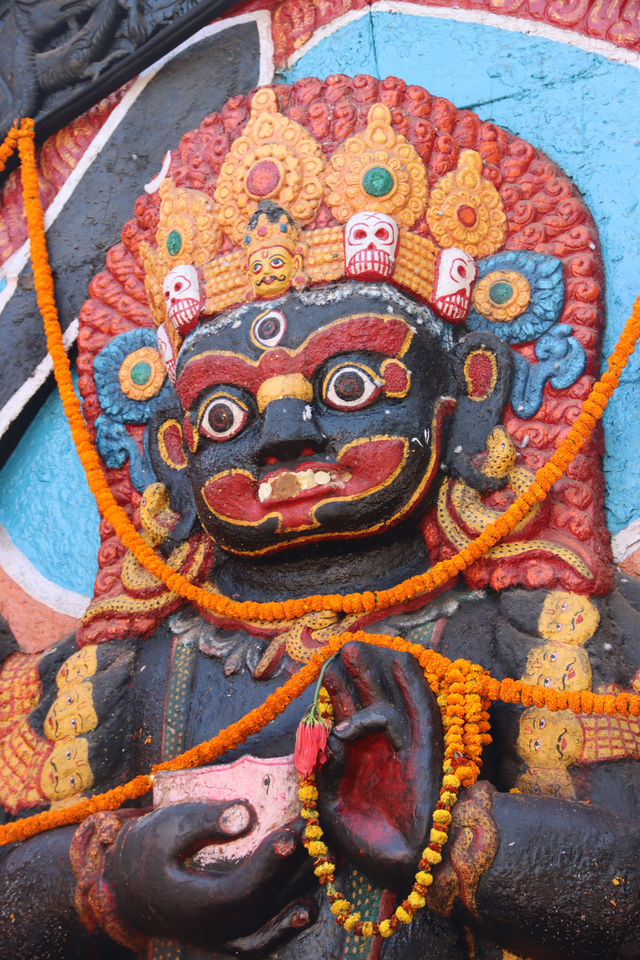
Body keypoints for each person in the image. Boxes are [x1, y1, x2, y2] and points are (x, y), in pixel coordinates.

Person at [0, 76, 638, 960]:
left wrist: (448, 837)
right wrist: (116, 879)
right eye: (226, 413)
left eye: (349, 385)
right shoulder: (122, 679)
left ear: (467, 401)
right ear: (174, 459)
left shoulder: (538, 642)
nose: (284, 436)